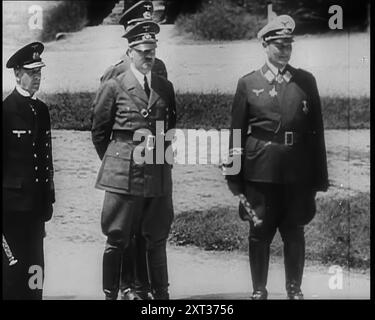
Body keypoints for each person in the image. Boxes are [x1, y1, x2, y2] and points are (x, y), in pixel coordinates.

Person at [224, 15, 328, 300]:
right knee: (259, 231)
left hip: (297, 173)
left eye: (288, 46)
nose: (284, 51)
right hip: (260, 171)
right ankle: (259, 289)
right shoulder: (248, 83)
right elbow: (236, 133)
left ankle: (294, 289)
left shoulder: (305, 82)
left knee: (294, 230)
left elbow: (316, 133)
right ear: (265, 45)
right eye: (279, 45)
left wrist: (319, 178)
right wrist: (234, 176)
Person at [91, 19, 176, 300]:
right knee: (117, 236)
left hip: (157, 172)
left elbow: (169, 127)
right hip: (123, 171)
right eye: (142, 51)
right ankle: (111, 294)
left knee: (156, 236)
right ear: (130, 52)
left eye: (151, 50)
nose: (148, 56)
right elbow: (100, 132)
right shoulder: (115, 86)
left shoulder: (164, 86)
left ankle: (158, 295)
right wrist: (119, 160)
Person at [3, 42, 55, 300]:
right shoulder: (6, 111)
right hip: (11, 209)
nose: (37, 78)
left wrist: (49, 198)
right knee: (13, 273)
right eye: (32, 72)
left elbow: (47, 159)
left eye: (39, 72)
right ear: (17, 74)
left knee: (36, 270)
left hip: (36, 207)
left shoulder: (42, 111)